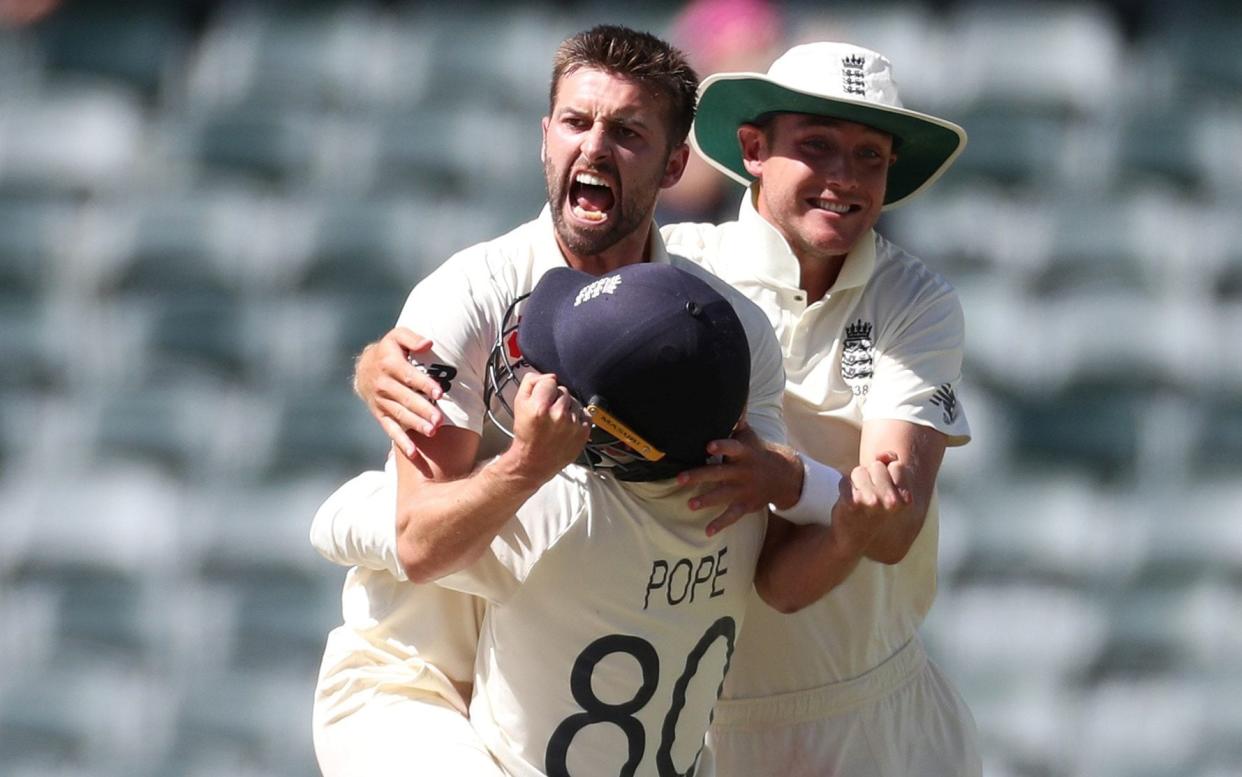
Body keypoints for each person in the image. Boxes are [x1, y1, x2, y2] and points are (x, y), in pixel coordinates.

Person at [354, 41, 981, 776]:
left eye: (870, 156)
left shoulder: (917, 300)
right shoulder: (671, 278)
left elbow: (889, 522)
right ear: (752, 149)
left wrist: (790, 485)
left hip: (874, 709)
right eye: (817, 147)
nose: (844, 178)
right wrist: (378, 366)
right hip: (704, 713)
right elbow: (517, 343)